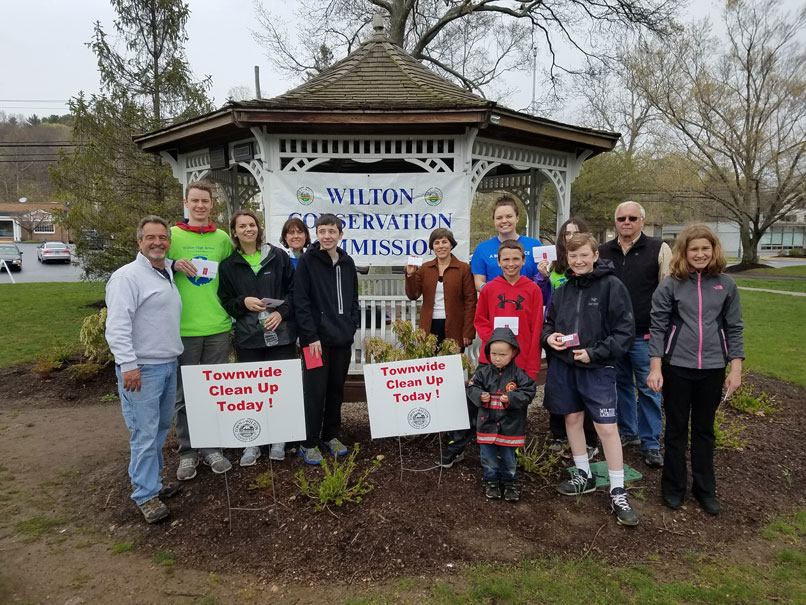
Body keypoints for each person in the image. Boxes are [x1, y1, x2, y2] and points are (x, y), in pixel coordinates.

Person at [542, 233, 638, 526]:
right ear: (566, 259)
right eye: (573, 256)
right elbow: (548, 324)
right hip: (565, 367)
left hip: (598, 368)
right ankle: (583, 473)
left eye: (584, 254)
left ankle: (618, 489)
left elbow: (624, 333)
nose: (579, 261)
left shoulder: (612, 286)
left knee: (606, 427)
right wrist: (551, 338)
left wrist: (594, 353)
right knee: (572, 419)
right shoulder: (564, 289)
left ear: (595, 254)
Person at [647, 224, 744, 516]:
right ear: (684, 253)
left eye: (705, 248)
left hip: (713, 368)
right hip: (677, 367)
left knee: (704, 431)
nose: (700, 254)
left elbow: (734, 327)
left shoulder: (726, 285)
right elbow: (658, 327)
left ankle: (705, 489)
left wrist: (735, 368)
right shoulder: (671, 284)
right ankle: (673, 488)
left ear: (713, 250)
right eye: (694, 249)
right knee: (676, 430)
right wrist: (656, 368)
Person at [105, 216, 183, 523]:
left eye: (163, 238)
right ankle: (145, 495)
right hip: (142, 369)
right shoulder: (127, 278)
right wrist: (128, 365)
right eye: (150, 237)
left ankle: (153, 483)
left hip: (167, 363)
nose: (157, 242)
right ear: (139, 242)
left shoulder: (163, 272)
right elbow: (117, 326)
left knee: (159, 430)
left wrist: (176, 263)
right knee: (145, 434)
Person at [218, 210, 297, 466]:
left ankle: (279, 439)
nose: (248, 229)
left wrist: (281, 313)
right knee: (252, 392)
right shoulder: (229, 265)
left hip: (280, 336)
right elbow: (227, 302)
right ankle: (252, 442)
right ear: (235, 231)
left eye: (252, 225)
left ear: (258, 228)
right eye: (242, 226)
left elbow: (295, 292)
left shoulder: (278, 257)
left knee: (280, 390)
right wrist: (243, 301)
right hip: (248, 338)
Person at [598, 201, 672, 469]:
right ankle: (628, 432)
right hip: (614, 336)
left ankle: (651, 443)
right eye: (621, 218)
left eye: (632, 218)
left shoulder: (658, 249)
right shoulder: (603, 251)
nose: (626, 222)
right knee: (621, 388)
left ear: (642, 220)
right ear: (615, 222)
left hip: (646, 336)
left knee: (649, 389)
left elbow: (668, 290)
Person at [169, 180, 234, 480]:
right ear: (186, 202)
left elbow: (234, 275)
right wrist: (171, 264)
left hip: (218, 327)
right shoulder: (171, 236)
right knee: (184, 395)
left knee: (213, 391)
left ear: (211, 205)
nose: (199, 206)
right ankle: (187, 451)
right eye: (194, 201)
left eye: (205, 201)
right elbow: (149, 262)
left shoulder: (221, 238)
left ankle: (212, 448)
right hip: (183, 329)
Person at [405, 228, 477, 468]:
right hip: (429, 328)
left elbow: (470, 301)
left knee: (452, 378)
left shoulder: (463, 268)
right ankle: (433, 424)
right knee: (430, 375)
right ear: (432, 246)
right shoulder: (425, 268)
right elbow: (413, 295)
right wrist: (409, 275)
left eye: (444, 242)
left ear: (451, 244)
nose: (441, 246)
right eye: (436, 242)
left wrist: (468, 332)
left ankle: (453, 427)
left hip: (454, 328)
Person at [293, 213, 360, 465]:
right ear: (317, 234)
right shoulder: (307, 261)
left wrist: (351, 325)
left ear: (340, 234)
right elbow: (301, 301)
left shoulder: (347, 262)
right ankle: (308, 442)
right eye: (322, 231)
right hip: (314, 342)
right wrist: (310, 336)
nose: (327, 236)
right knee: (314, 391)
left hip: (341, 339)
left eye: (332, 231)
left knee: (335, 390)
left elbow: (353, 298)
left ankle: (330, 436)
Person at [535, 217, 598, 459]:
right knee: (560, 388)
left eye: (576, 233)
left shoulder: (590, 271)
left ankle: (589, 438)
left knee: (587, 389)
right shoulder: (554, 268)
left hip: (586, 339)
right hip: (559, 337)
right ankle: (559, 435)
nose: (570, 237)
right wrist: (541, 278)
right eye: (566, 234)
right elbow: (542, 299)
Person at [466, 327, 536, 502]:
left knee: (508, 457)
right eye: (493, 353)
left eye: (502, 354)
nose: (497, 358)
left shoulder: (519, 375)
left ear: (513, 353)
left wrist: (511, 398)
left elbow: (529, 391)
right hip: (487, 423)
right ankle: (491, 482)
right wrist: (479, 395)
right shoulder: (482, 373)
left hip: (510, 426)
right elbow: (472, 387)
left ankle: (510, 482)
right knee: (488, 456)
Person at [475, 240, 543, 380]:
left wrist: (532, 366)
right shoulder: (488, 289)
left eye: (516, 259)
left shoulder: (533, 290)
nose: (511, 264)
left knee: (516, 400)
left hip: (521, 359)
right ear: (499, 262)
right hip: (492, 358)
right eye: (506, 259)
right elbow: (480, 321)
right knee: (489, 400)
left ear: (523, 261)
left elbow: (536, 329)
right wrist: (496, 343)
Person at [470, 196, 541, 292]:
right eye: (499, 218)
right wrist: (494, 292)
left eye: (509, 216)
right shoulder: (482, 249)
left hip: (525, 302)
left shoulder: (534, 245)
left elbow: (540, 278)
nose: (504, 221)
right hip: (495, 303)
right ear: (494, 221)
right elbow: (478, 282)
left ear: (517, 218)